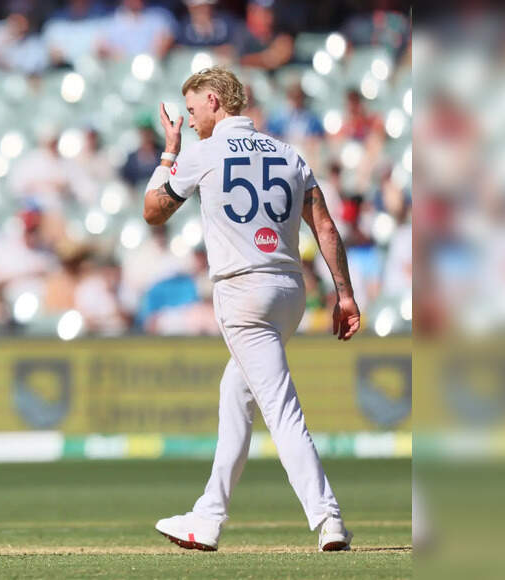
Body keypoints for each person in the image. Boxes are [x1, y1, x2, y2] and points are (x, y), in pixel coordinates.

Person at [142, 66, 359, 551]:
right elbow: (325, 227)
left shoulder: (203, 153)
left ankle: (328, 517)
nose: (189, 120)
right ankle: (208, 516)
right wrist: (344, 294)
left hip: (243, 293)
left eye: (193, 109)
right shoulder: (288, 153)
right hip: (289, 292)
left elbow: (153, 211)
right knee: (235, 396)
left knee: (281, 410)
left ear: (214, 101)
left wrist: (170, 151)